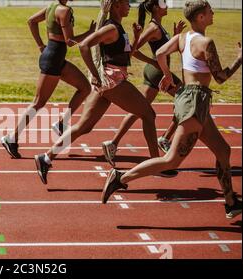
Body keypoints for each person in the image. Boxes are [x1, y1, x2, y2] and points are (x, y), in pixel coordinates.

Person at [102, 0, 242, 219]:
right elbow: (221, 78)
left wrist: (167, 74)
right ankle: (120, 177)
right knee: (172, 160)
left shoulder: (182, 38)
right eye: (209, 11)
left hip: (194, 100)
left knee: (223, 151)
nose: (213, 13)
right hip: (195, 102)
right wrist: (240, 59)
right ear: (200, 18)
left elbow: (160, 54)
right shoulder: (206, 42)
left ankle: (231, 202)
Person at [34, 0, 173, 184]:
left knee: (84, 126)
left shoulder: (117, 27)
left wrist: (137, 36)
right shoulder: (111, 28)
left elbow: (128, 54)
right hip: (113, 81)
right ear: (116, 6)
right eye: (125, 3)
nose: (129, 6)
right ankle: (156, 164)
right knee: (148, 114)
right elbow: (84, 46)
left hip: (108, 83)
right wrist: (94, 74)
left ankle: (46, 157)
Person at [1, 0, 96, 159]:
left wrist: (40, 46)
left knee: (85, 87)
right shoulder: (64, 10)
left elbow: (31, 21)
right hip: (52, 60)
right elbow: (70, 41)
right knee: (38, 102)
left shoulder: (52, 7)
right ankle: (11, 138)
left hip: (56, 59)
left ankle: (61, 123)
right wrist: (90, 32)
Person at [101, 0, 186, 166]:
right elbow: (133, 49)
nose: (167, 6)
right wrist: (153, 62)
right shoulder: (153, 27)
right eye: (163, 3)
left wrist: (175, 35)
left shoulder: (159, 26)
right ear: (155, 8)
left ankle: (114, 143)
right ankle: (166, 139)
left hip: (157, 71)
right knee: (187, 99)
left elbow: (165, 49)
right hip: (158, 72)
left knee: (139, 109)